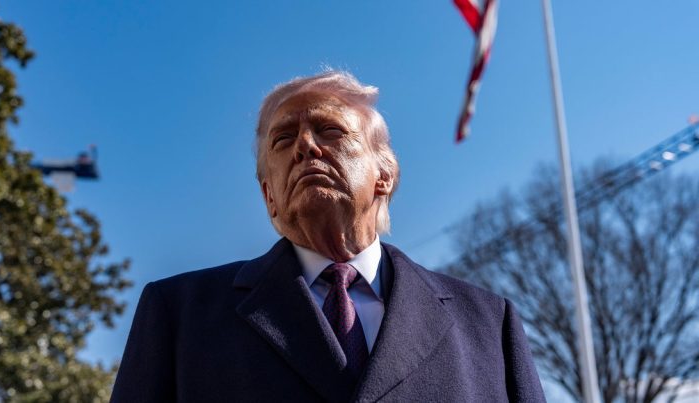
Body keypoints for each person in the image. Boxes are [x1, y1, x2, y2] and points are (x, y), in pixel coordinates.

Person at [110, 71, 545, 402]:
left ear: (384, 174)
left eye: (330, 130)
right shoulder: (178, 314)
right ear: (269, 196)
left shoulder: (489, 322)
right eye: (283, 139)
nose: (305, 146)